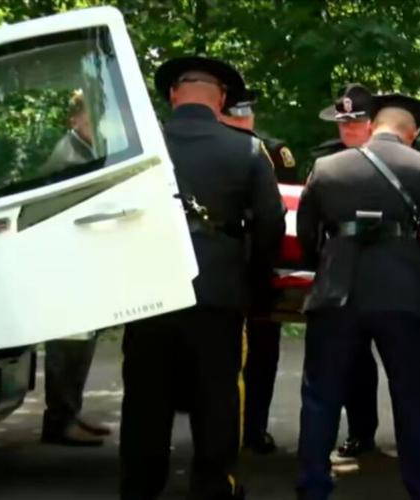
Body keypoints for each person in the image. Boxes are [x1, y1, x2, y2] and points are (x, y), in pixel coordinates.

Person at [119, 56, 285, 500]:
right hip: (218, 290)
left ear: (174, 94)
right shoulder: (247, 149)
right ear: (223, 99)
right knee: (217, 397)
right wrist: (252, 279)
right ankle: (213, 488)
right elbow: (271, 224)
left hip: (149, 290)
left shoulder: (135, 149)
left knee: (145, 398)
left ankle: (139, 488)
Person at [296, 92, 420, 500]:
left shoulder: (327, 168)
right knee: (414, 398)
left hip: (338, 291)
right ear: (412, 133)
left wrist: (327, 265)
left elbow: (308, 235)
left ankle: (313, 485)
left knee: (321, 396)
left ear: (374, 123)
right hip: (405, 292)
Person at [220, 88, 297, 454]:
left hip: (259, 265)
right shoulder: (219, 148)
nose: (241, 118)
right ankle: (230, 429)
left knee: (262, 353)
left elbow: (283, 208)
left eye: (244, 113)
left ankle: (253, 427)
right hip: (233, 262)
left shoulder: (273, 150)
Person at [311, 83, 381, 458]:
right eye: (343, 123)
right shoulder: (325, 162)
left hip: (391, 273)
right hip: (341, 272)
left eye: (356, 122)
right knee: (352, 360)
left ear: (373, 123)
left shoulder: (402, 157)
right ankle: (361, 431)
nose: (348, 129)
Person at [40, 90, 109, 447]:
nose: (96, 123)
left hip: (76, 261)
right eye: (89, 116)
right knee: (68, 342)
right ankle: (60, 422)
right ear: (74, 120)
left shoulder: (82, 150)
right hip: (66, 264)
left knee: (78, 343)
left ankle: (69, 414)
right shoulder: (70, 157)